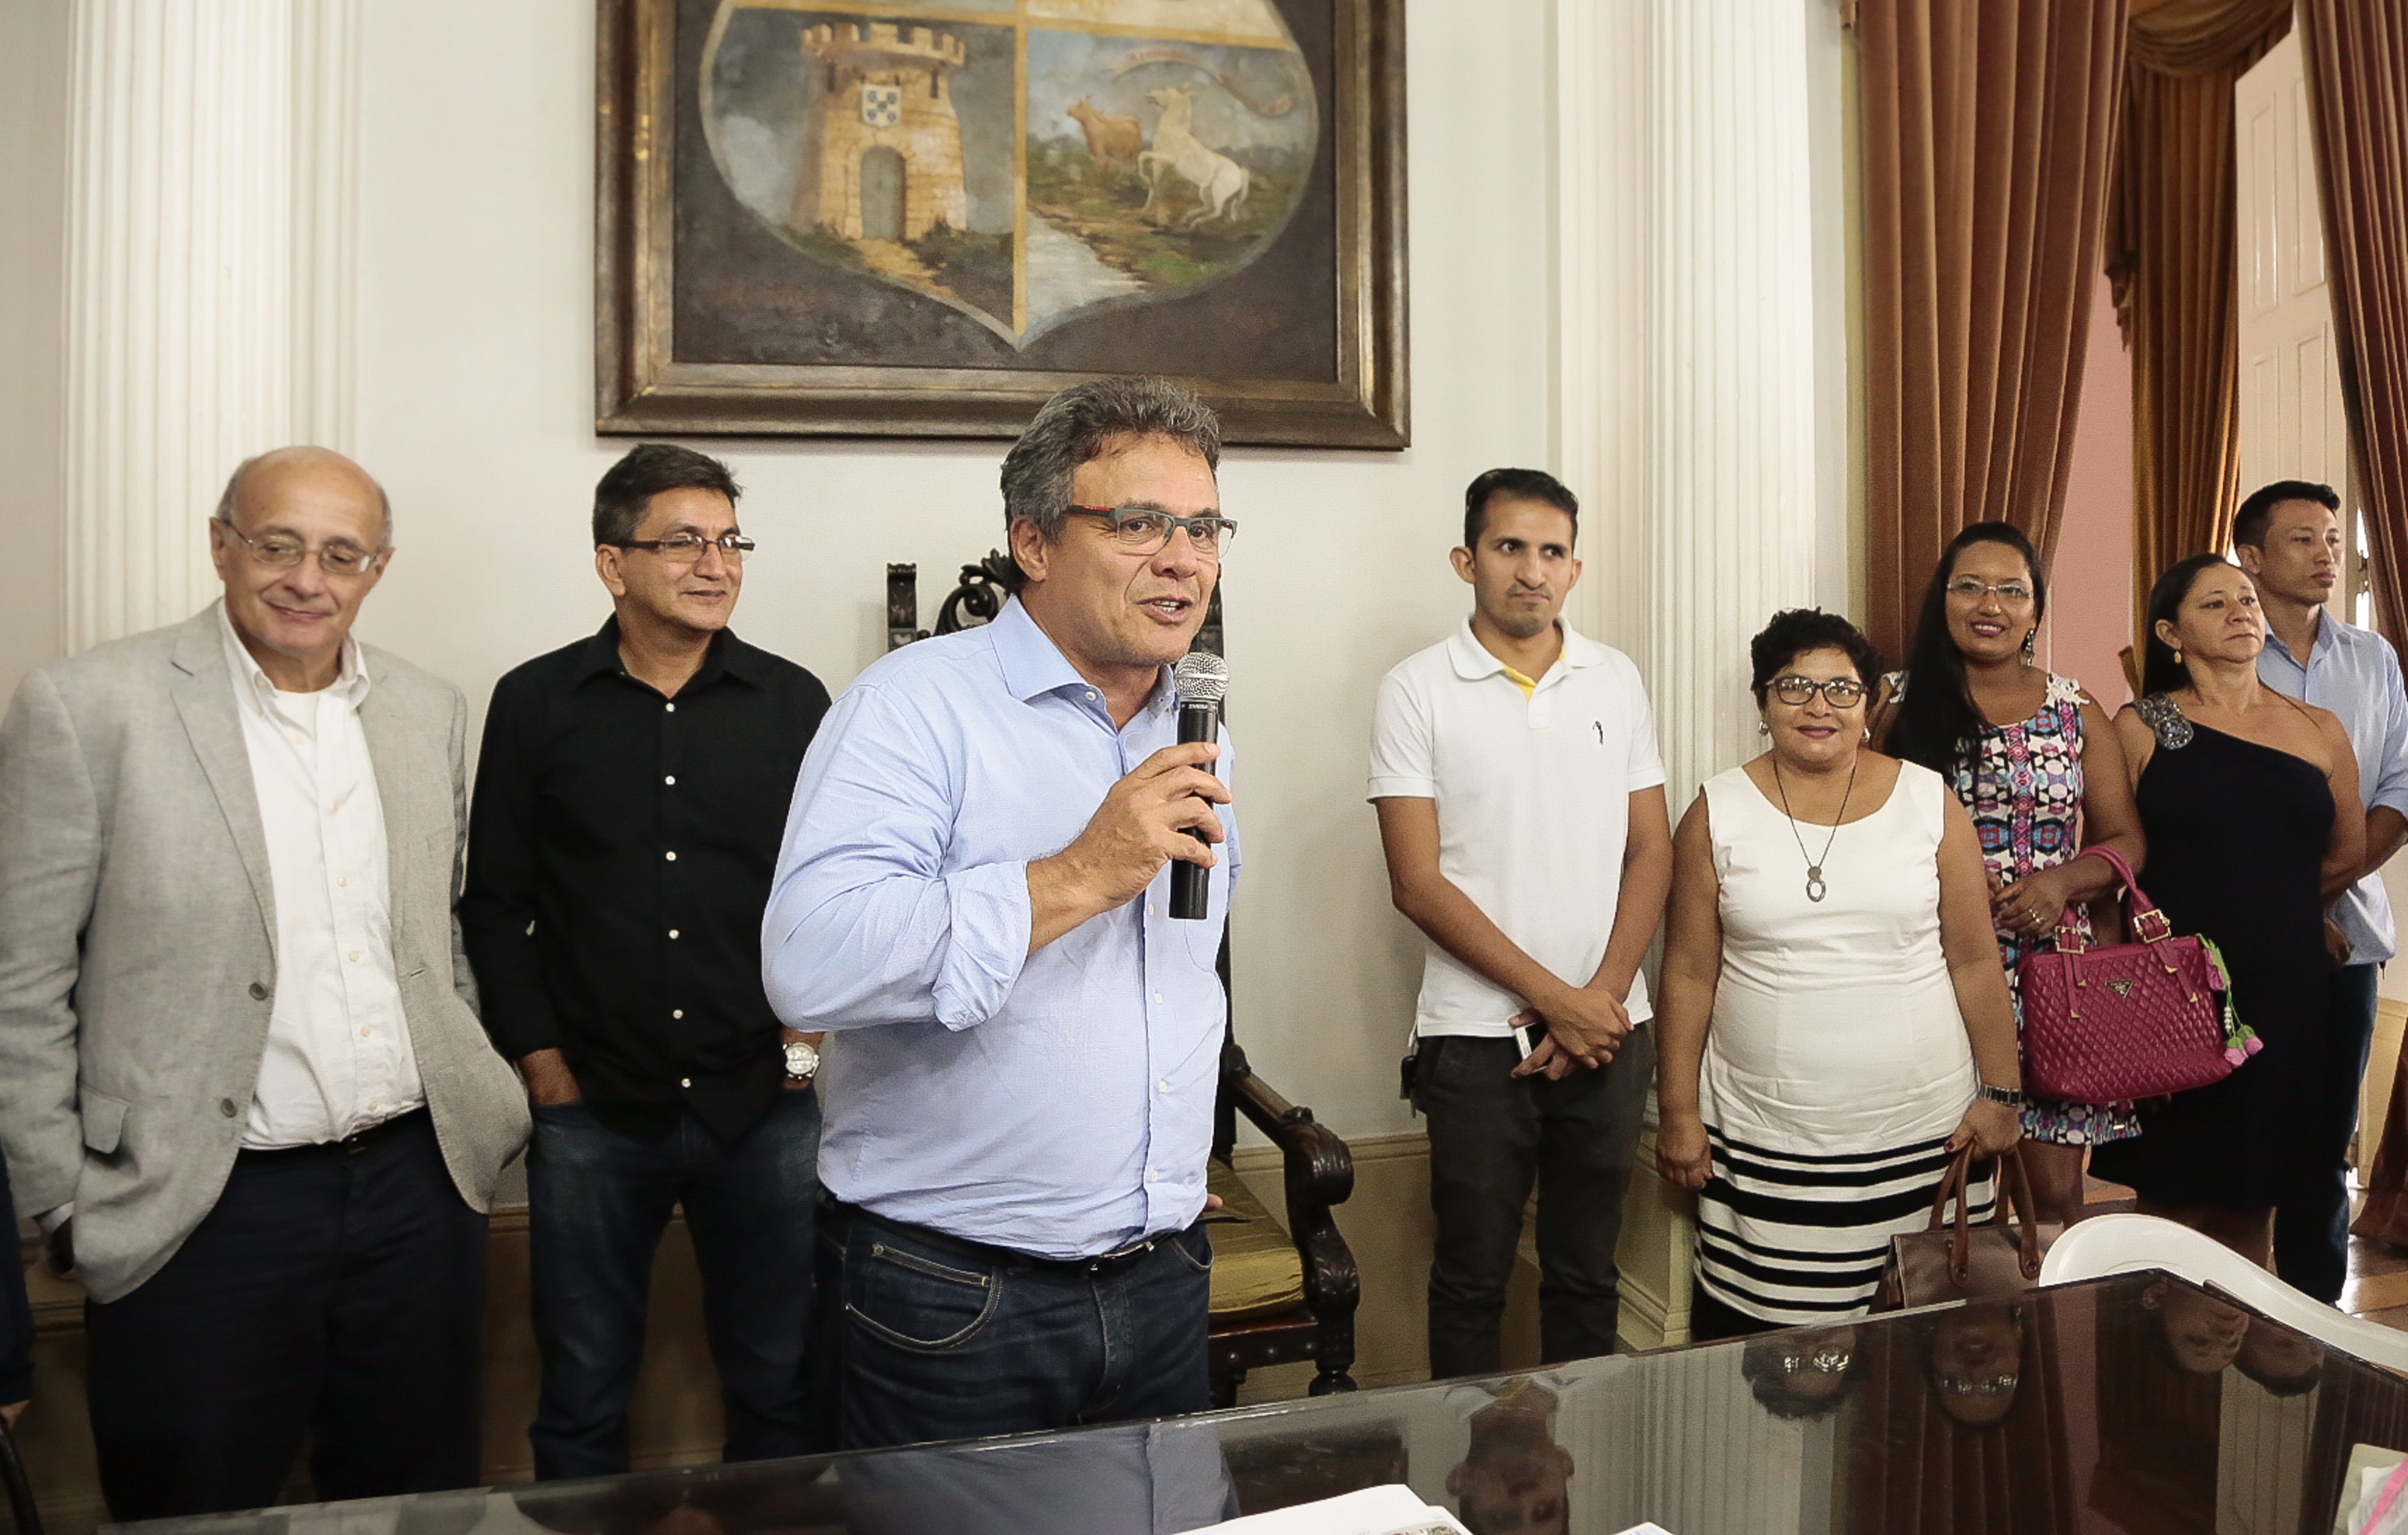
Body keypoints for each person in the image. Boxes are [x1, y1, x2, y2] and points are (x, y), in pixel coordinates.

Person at [0, 448, 529, 1517]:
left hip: (417, 1193)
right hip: (202, 1206)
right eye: (278, 545)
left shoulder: (428, 709)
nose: (307, 579)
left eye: (341, 554)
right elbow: (23, 977)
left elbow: (441, 930)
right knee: (193, 1502)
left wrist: (478, 1085)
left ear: (377, 568)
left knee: (416, 1505)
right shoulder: (88, 705)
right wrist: (63, 1194)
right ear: (221, 545)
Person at [761, 376, 1238, 1450]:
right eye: (1138, 523)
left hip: (1158, 1272)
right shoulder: (912, 706)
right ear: (1032, 541)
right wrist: (1076, 871)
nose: (1184, 557)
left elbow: (1163, 982)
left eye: (1204, 525)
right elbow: (809, 961)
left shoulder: (1194, 721)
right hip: (958, 1291)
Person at [459, 445, 833, 1478]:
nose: (715, 565)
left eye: (728, 541)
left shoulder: (794, 703)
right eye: (682, 542)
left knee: (779, 1383)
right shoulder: (534, 703)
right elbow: (494, 904)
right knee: (580, 1393)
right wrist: (543, 1065)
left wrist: (802, 1048)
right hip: (592, 1111)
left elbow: (832, 894)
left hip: (762, 1101)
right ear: (611, 563)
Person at [1369, 467, 1671, 1378]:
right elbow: (1416, 883)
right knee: (1471, 1280)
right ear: (1467, 560)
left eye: (1550, 552)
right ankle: (1456, 1504)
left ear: (1574, 569)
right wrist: (1555, 1001)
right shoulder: (1416, 687)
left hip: (1611, 1034)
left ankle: (1586, 1488)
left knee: (1585, 1277)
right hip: (1472, 1041)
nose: (1530, 571)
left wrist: (1599, 1001)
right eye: (1508, 548)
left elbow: (1650, 849)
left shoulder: (1613, 678)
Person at [1654, 609, 2024, 1339]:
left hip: (1927, 1138)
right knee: (1775, 1371)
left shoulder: (1930, 802)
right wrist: (1677, 1111)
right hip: (1767, 1144)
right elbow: (1689, 974)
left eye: (1840, 689)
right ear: (1762, 703)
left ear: (1871, 702)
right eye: (1794, 687)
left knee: (1923, 1357)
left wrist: (2004, 1092)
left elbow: (1977, 959)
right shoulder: (1715, 811)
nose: (1818, 706)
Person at [2092, 554, 2364, 1266]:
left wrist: (2289, 913)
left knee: (2255, 1204)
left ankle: (2236, 1370)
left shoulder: (2319, 728)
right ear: (2170, 632)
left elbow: (2344, 854)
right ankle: (2155, 1375)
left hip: (2288, 993)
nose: (2242, 611)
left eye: (2246, 599)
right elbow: (2119, 862)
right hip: (2178, 995)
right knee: (2171, 1207)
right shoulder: (2143, 723)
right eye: (2215, 604)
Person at [1874, 522, 2146, 1226]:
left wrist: (2060, 885)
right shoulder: (1894, 705)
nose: (1988, 603)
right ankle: (1962, 1333)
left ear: (2034, 611)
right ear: (1942, 599)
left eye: (2010, 590)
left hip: (2058, 975)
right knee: (1949, 1185)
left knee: (2053, 1198)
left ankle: (2055, 1336)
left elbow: (2126, 838)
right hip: (1933, 966)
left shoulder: (2074, 707)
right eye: (1969, 585)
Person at [2232, 480, 2408, 1301]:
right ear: (2254, 557)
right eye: (2303, 539)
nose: (2327, 554)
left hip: (2353, 944)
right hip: (2233, 947)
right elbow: (2203, 808)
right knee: (2235, 1144)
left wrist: (2314, 902)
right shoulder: (2216, 654)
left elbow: (2399, 791)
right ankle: (2221, 1320)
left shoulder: (2373, 659)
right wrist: (2283, 915)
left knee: (2322, 1150)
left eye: (2334, 538)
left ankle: (2312, 1332)